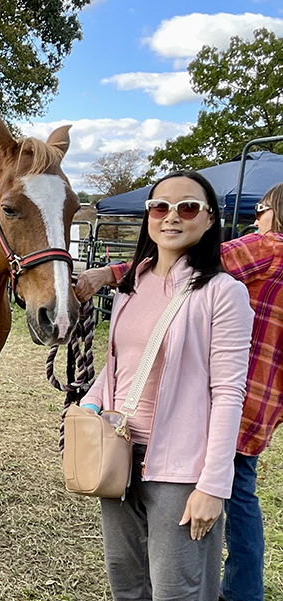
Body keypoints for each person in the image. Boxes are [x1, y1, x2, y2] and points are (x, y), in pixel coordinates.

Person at [77, 182, 283, 601]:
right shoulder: (133, 284)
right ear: (148, 216)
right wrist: (88, 407)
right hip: (118, 454)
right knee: (127, 584)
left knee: (179, 590)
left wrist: (213, 486)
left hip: (180, 468)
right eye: (160, 207)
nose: (172, 216)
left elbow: (228, 391)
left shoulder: (224, 292)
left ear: (209, 219)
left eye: (188, 207)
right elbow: (118, 364)